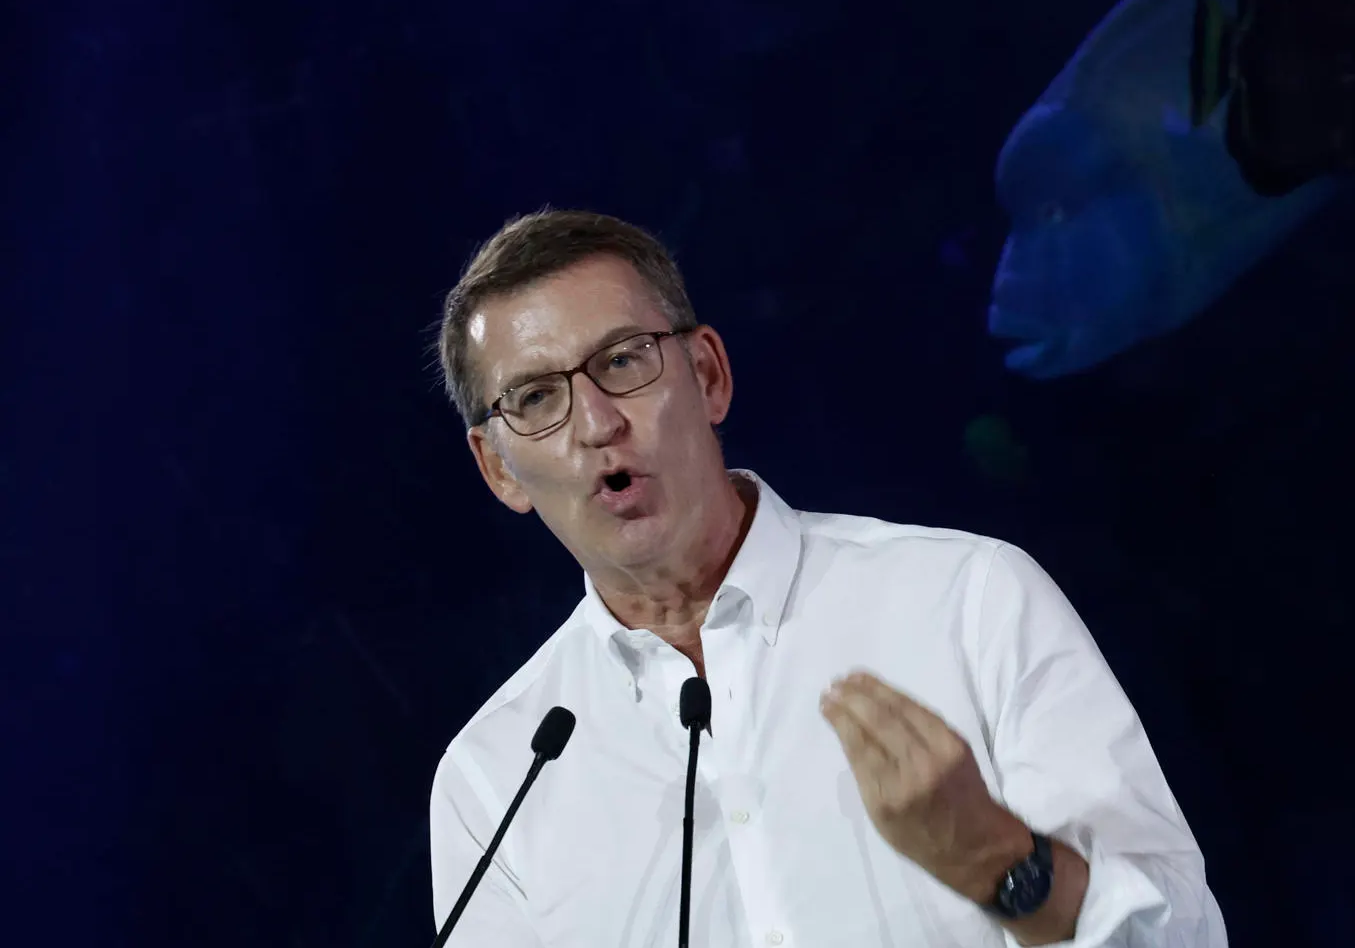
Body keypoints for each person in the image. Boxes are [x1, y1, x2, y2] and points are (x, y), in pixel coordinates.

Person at [426, 208, 1230, 947]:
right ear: (498, 467)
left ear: (708, 375)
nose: (598, 424)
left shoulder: (968, 601)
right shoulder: (496, 779)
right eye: (536, 398)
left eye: (624, 361)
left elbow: (1183, 938)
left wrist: (999, 861)